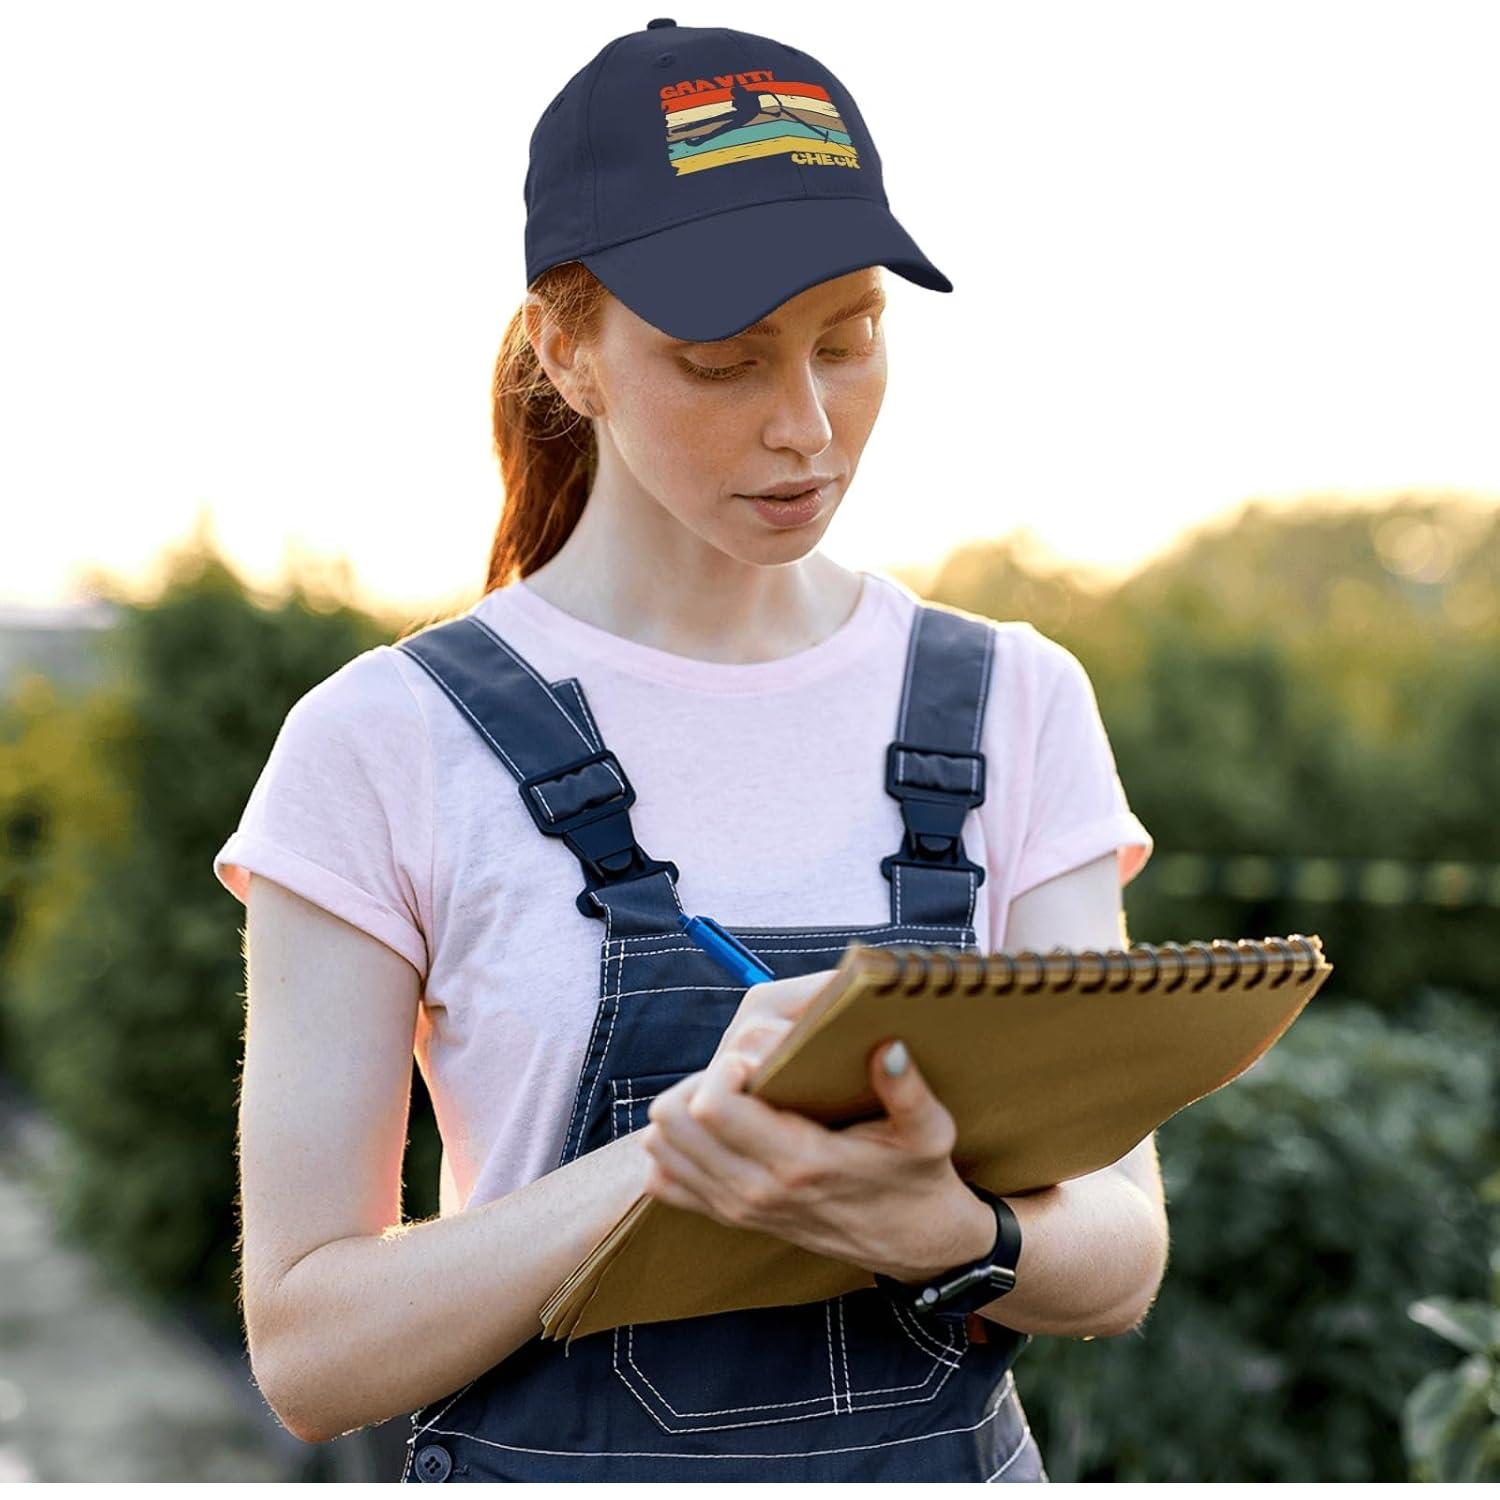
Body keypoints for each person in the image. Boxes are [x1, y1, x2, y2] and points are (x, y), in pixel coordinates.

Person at [215, 19, 1165, 1483]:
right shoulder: (383, 742)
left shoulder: (1011, 703)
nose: (807, 429)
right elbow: (312, 1352)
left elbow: (1118, 1252)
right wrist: (689, 1157)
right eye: (722, 361)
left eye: (848, 340)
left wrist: (953, 1233)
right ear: (566, 349)